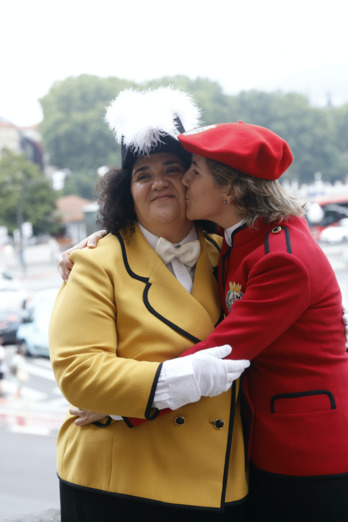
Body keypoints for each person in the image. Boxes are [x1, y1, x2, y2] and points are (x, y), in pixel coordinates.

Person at [49, 88, 250, 522]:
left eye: (172, 169)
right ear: (127, 191)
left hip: (220, 480)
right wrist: (174, 382)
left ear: (196, 180)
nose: (158, 182)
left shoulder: (230, 252)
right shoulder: (95, 261)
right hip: (120, 484)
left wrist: (124, 398)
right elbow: (78, 372)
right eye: (142, 174)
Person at [172, 122, 348, 522]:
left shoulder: (280, 258)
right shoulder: (247, 231)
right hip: (272, 443)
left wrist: (127, 401)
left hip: (307, 457)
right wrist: (93, 243)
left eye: (194, 171)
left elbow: (221, 353)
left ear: (230, 190)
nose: (182, 180)